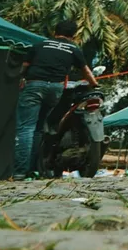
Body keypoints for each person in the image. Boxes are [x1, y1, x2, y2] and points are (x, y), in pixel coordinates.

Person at [13, 19, 98, 178]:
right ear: (73, 35)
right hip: (55, 89)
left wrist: (21, 78)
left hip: (34, 85)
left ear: (54, 32)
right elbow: (86, 72)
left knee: (26, 128)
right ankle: (34, 169)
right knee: (39, 128)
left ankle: (19, 172)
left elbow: (24, 67)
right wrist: (95, 84)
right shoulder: (74, 49)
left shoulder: (39, 45)